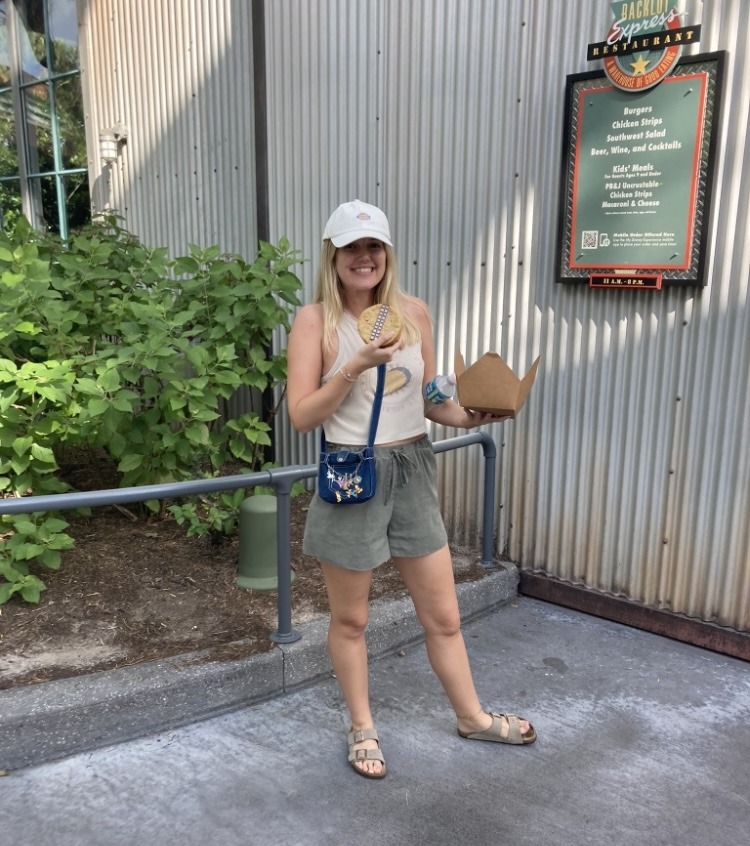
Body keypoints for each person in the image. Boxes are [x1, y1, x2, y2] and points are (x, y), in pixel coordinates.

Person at [286, 199, 536, 779]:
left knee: (443, 615)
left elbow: (429, 399)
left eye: (373, 247)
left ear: (387, 253)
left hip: (413, 467)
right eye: (351, 247)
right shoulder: (314, 322)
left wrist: (472, 417)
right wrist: (354, 364)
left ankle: (470, 716)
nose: (364, 257)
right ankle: (362, 727)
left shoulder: (415, 313)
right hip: (354, 471)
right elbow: (302, 416)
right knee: (352, 620)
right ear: (334, 255)